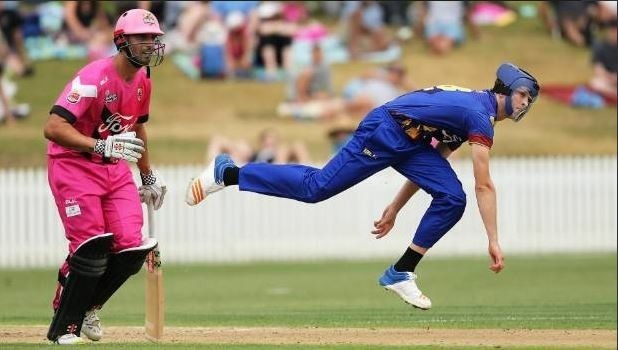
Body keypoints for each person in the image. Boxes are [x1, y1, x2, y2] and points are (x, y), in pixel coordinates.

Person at [185, 63, 539, 310]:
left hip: (408, 141)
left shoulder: (474, 112)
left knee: (451, 197)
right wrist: (493, 239)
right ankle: (228, 173)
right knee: (316, 188)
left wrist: (396, 207)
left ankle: (401, 271)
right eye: (524, 95)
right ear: (508, 90)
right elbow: (485, 186)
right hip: (385, 130)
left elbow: (438, 159)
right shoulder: (479, 116)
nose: (526, 103)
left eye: (529, 99)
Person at [43, 9, 166, 344]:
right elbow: (53, 127)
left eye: (154, 38)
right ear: (121, 40)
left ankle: (88, 308)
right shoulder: (92, 78)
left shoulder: (144, 79)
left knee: (131, 248)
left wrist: (148, 177)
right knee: (91, 246)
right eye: (142, 37)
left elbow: (137, 125)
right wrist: (101, 146)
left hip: (114, 168)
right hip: (73, 164)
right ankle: (65, 321)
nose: (150, 45)